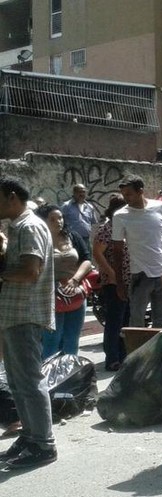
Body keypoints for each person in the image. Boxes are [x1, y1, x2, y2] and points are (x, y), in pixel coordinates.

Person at [0, 176, 58, 468]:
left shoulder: (29, 226)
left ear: (11, 196)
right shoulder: (18, 227)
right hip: (14, 314)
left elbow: (29, 271)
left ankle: (44, 445)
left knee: (30, 381)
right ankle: (31, 435)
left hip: (25, 313)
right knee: (18, 381)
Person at [112, 175, 162, 328]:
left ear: (140, 191)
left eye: (129, 194)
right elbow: (117, 251)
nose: (126, 198)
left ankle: (160, 352)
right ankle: (138, 351)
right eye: (124, 194)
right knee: (137, 322)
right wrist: (120, 282)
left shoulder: (160, 207)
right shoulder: (120, 216)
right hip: (140, 275)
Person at [35, 204, 93, 359]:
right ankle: (49, 379)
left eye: (60, 217)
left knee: (72, 340)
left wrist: (75, 279)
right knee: (52, 341)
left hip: (75, 293)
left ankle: (69, 376)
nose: (58, 222)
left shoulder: (73, 236)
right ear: (42, 221)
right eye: (52, 219)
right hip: (50, 296)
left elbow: (87, 260)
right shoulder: (38, 241)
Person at [92, 193, 130, 371]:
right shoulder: (107, 229)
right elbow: (97, 253)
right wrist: (111, 273)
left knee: (127, 319)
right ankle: (113, 357)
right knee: (114, 320)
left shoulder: (127, 226)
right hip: (113, 282)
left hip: (131, 280)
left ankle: (125, 355)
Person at [60, 183, 101, 248]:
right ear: (74, 193)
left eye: (83, 192)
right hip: (71, 240)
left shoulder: (89, 207)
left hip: (86, 240)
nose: (82, 194)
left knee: (87, 258)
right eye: (79, 192)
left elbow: (94, 224)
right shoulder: (66, 206)